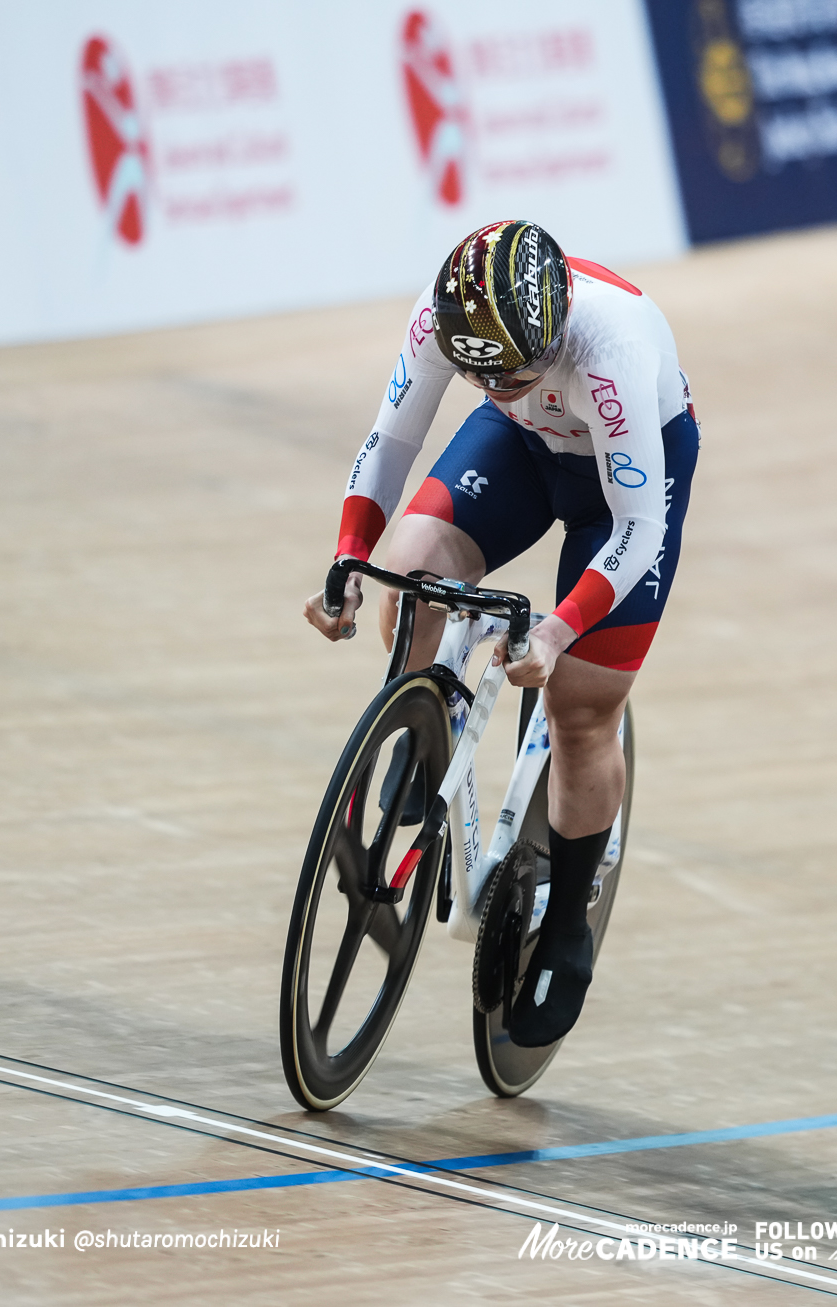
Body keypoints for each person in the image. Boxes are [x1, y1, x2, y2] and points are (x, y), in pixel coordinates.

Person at [303, 219, 699, 1048]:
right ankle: (422, 731)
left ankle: (567, 927)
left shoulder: (610, 348)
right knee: (411, 571)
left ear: (550, 334)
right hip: (525, 451)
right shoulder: (452, 317)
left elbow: (636, 532)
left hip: (625, 484)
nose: (498, 387)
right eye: (485, 378)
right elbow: (390, 443)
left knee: (580, 705)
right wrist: (346, 557)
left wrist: (558, 631)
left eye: (512, 374)